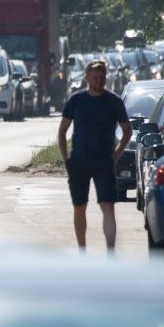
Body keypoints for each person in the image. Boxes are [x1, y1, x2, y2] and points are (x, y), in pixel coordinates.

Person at [57, 59, 131, 252]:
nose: (99, 80)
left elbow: (127, 131)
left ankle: (111, 252)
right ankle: (82, 250)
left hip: (104, 162)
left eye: (102, 77)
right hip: (79, 161)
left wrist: (115, 155)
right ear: (87, 77)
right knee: (79, 207)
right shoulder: (76, 100)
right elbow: (62, 131)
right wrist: (66, 159)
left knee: (108, 207)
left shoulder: (114, 101)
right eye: (95, 77)